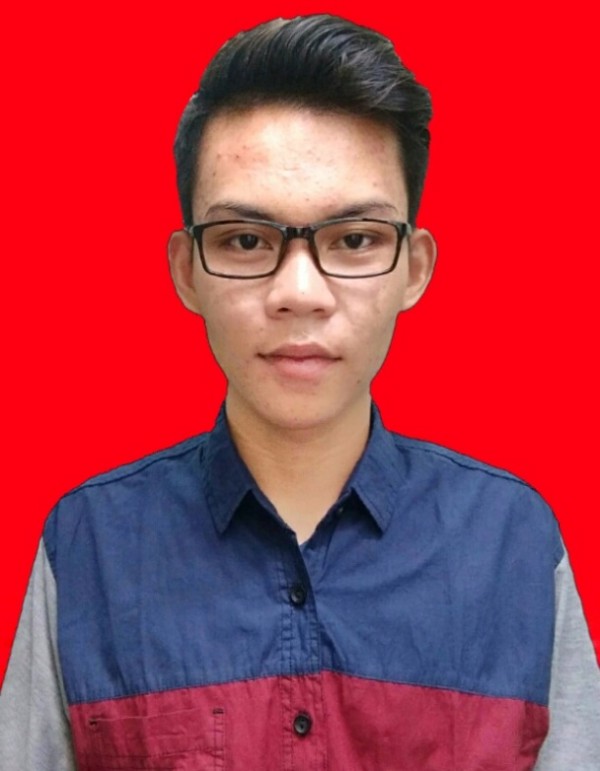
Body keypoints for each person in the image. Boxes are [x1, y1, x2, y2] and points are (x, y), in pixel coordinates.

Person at [0, 13, 598, 771]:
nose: (300, 292)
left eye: (355, 239)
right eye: (247, 241)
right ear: (187, 272)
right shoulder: (89, 545)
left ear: (414, 269)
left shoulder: (514, 542)